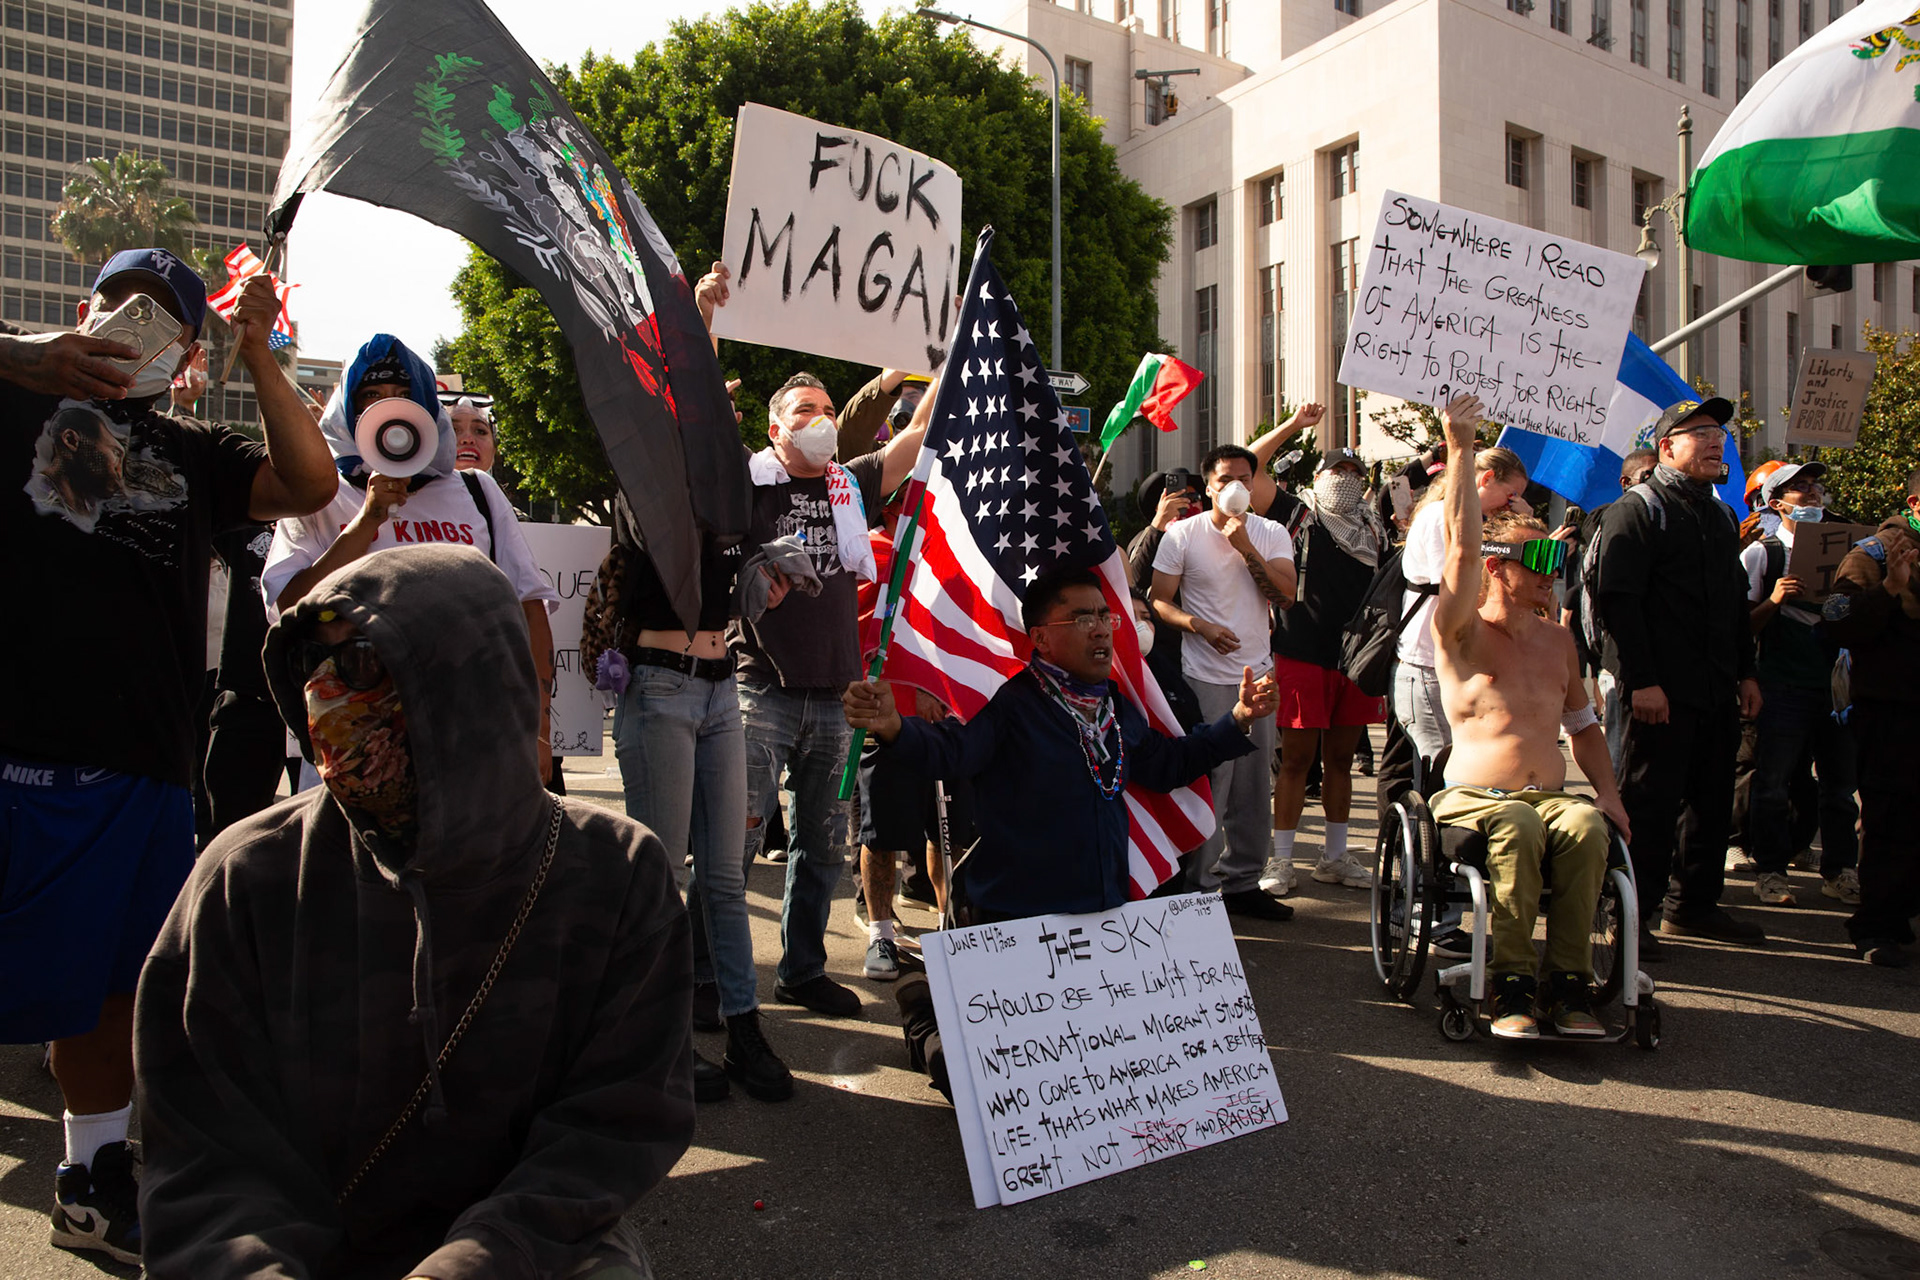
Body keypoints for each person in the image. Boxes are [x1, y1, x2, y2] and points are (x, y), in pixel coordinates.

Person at [135, 545, 693, 1278]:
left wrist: (470, 1266)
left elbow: (611, 1129)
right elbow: (204, 1154)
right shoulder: (248, 876)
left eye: (365, 665)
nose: (332, 700)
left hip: (530, 1248)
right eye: (318, 668)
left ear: (473, 683)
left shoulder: (616, 872)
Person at [2, 249, 336, 1265]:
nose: (136, 330)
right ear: (80, 314)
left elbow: (311, 481)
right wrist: (24, 359)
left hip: (148, 770)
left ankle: (93, 1174)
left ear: (188, 352)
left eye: (165, 322)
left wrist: (261, 356)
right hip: (28, 761)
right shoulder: (15, 406)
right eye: (120, 309)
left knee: (115, 994)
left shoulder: (196, 448)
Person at [844, 565, 1279, 1093]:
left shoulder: (1114, 706)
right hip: (1017, 919)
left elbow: (1166, 765)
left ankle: (939, 1009)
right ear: (1041, 638)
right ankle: (924, 1014)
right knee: (983, 1084)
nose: (1101, 628)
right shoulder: (1011, 701)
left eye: (1104, 615)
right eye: (1081, 617)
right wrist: (893, 726)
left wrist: (1236, 720)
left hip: (1100, 914)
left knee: (1094, 1076)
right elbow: (952, 750)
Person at [263, 335, 560, 784]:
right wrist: (365, 524)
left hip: (467, 734)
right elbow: (287, 609)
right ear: (349, 409)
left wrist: (540, 732)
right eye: (372, 397)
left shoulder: (476, 492)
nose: (390, 409)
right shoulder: (321, 496)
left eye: (405, 397)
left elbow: (528, 609)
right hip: (354, 743)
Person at [1426, 394, 1631, 1039]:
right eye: (1538, 562)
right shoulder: (1460, 632)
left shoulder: (1558, 640)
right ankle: (1512, 980)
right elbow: (1458, 554)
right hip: (1472, 798)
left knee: (1588, 826)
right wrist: (1460, 450)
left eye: (1557, 561)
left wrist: (1609, 794)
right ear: (1498, 569)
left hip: (1547, 797)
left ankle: (1568, 983)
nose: (1552, 574)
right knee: (1515, 820)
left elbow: (1585, 726)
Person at [1595, 397, 1766, 947]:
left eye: (1720, 433)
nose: (1717, 442)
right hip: (1658, 692)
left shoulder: (1719, 514)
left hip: (1715, 689)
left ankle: (1693, 905)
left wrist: (1746, 673)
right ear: (1667, 446)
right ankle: (1630, 915)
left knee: (1711, 800)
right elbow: (1618, 603)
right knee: (1649, 804)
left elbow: (1735, 604)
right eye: (1702, 433)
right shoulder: (1639, 509)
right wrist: (1641, 680)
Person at [1150, 444, 1297, 921]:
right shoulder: (1183, 536)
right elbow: (1159, 601)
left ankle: (1244, 881)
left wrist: (1245, 546)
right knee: (1213, 781)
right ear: (1207, 485)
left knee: (1255, 785)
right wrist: (1200, 626)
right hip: (1205, 678)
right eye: (1224, 479)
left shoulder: (1271, 532)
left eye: (1243, 478)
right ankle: (1199, 885)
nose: (1235, 487)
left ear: (1253, 485)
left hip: (1259, 673)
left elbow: (1287, 596)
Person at [1264, 446, 1392, 895]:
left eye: (1354, 471)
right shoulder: (1299, 515)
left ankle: (1334, 857)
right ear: (1317, 476)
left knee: (1341, 760)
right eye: (1336, 469)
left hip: (1358, 658)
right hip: (1302, 650)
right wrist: (1295, 427)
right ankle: (1281, 861)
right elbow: (1254, 471)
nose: (1345, 477)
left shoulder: (1376, 527)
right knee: (1296, 760)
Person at [1740, 461, 1859, 909]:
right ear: (1776, 504)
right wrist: (1775, 600)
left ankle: (1841, 870)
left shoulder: (1846, 549)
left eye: (1814, 487)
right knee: (1773, 782)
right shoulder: (1762, 553)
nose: (1811, 495)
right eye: (1799, 489)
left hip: (1834, 689)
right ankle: (1770, 870)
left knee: (1840, 786)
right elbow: (1739, 628)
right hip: (1781, 684)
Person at [1819, 464, 1920, 967]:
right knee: (1891, 823)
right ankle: (1877, 925)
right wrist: (1890, 591)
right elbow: (1836, 622)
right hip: (1893, 716)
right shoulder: (1873, 555)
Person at [1393, 442, 1531, 779]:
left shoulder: (1476, 524)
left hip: (1456, 665)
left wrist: (1523, 533)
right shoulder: (1442, 518)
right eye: (1510, 497)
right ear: (1485, 480)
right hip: (1427, 665)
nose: (1511, 506)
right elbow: (1464, 587)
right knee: (1445, 771)